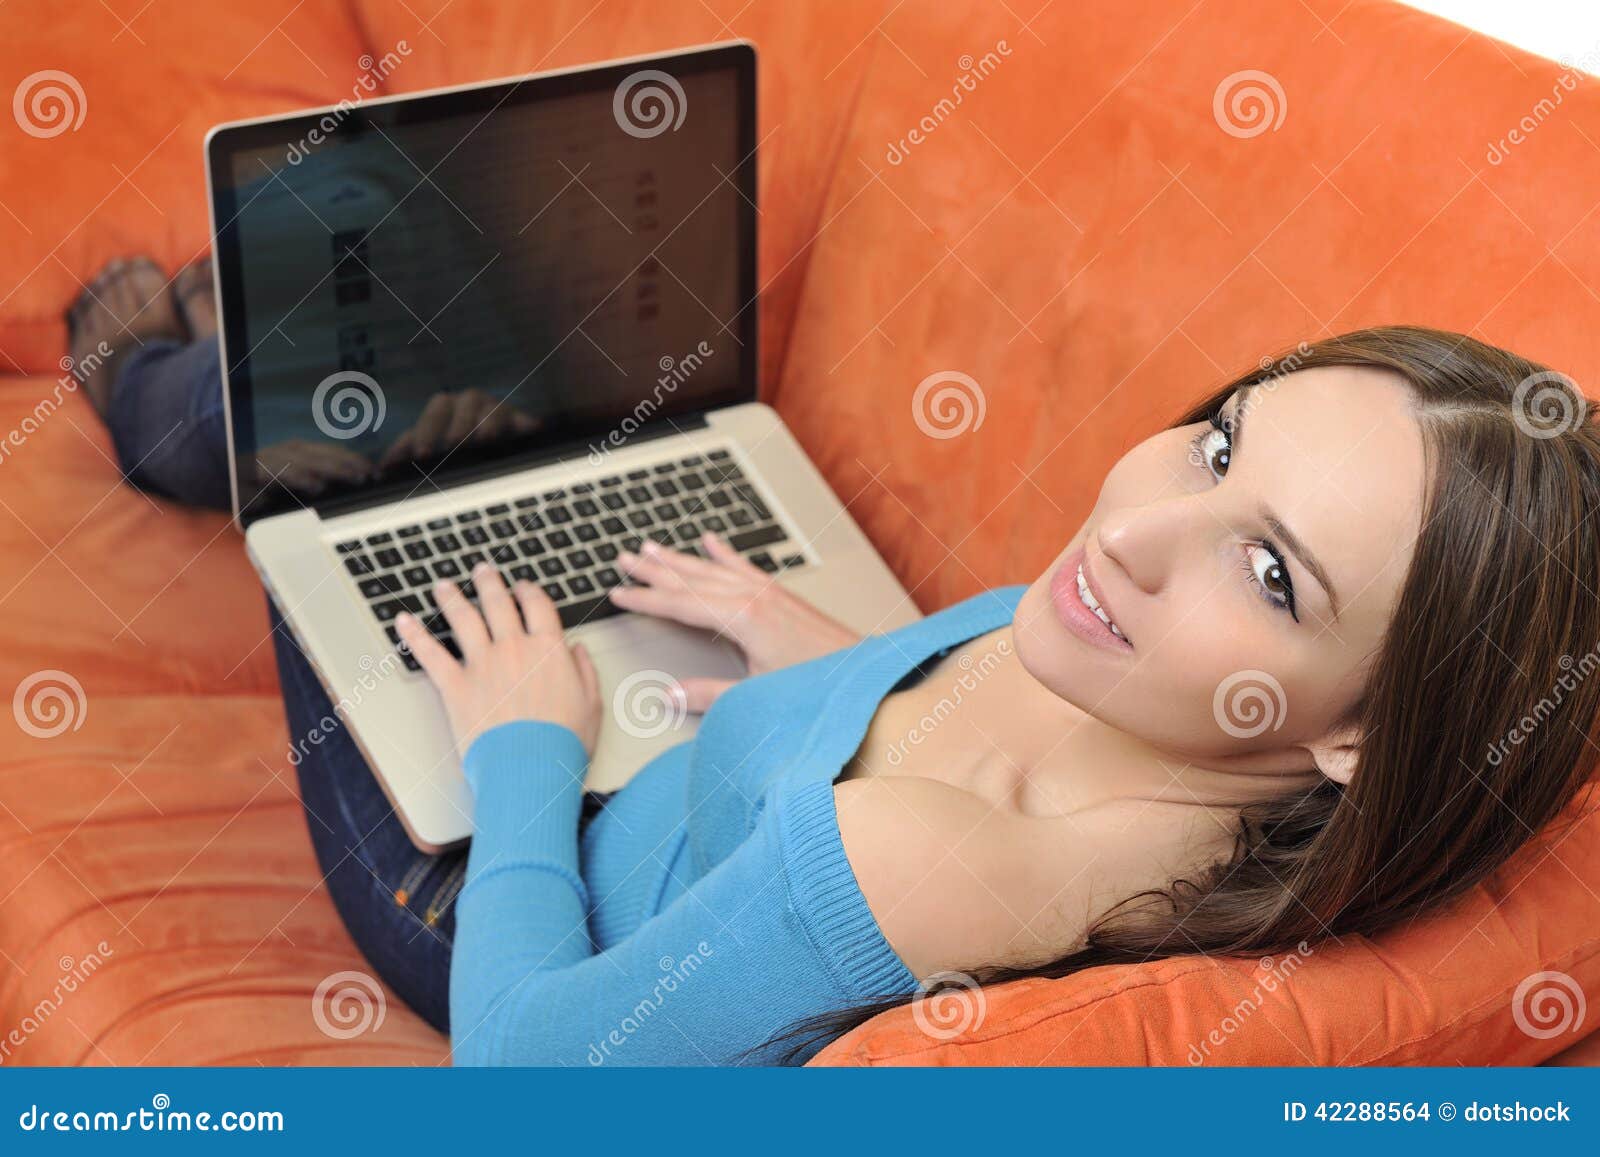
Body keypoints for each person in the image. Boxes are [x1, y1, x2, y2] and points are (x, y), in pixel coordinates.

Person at [69, 258, 1600, 1064]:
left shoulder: (933, 862)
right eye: (1216, 441)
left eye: (1270, 570)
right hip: (656, 776)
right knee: (486, 402)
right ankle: (246, 337)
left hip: (498, 894)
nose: (1138, 526)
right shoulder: (1137, 677)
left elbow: (529, 1074)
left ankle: (152, 387)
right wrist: (826, 666)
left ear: (1362, 734)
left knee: (320, 476)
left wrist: (525, 749)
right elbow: (973, 715)